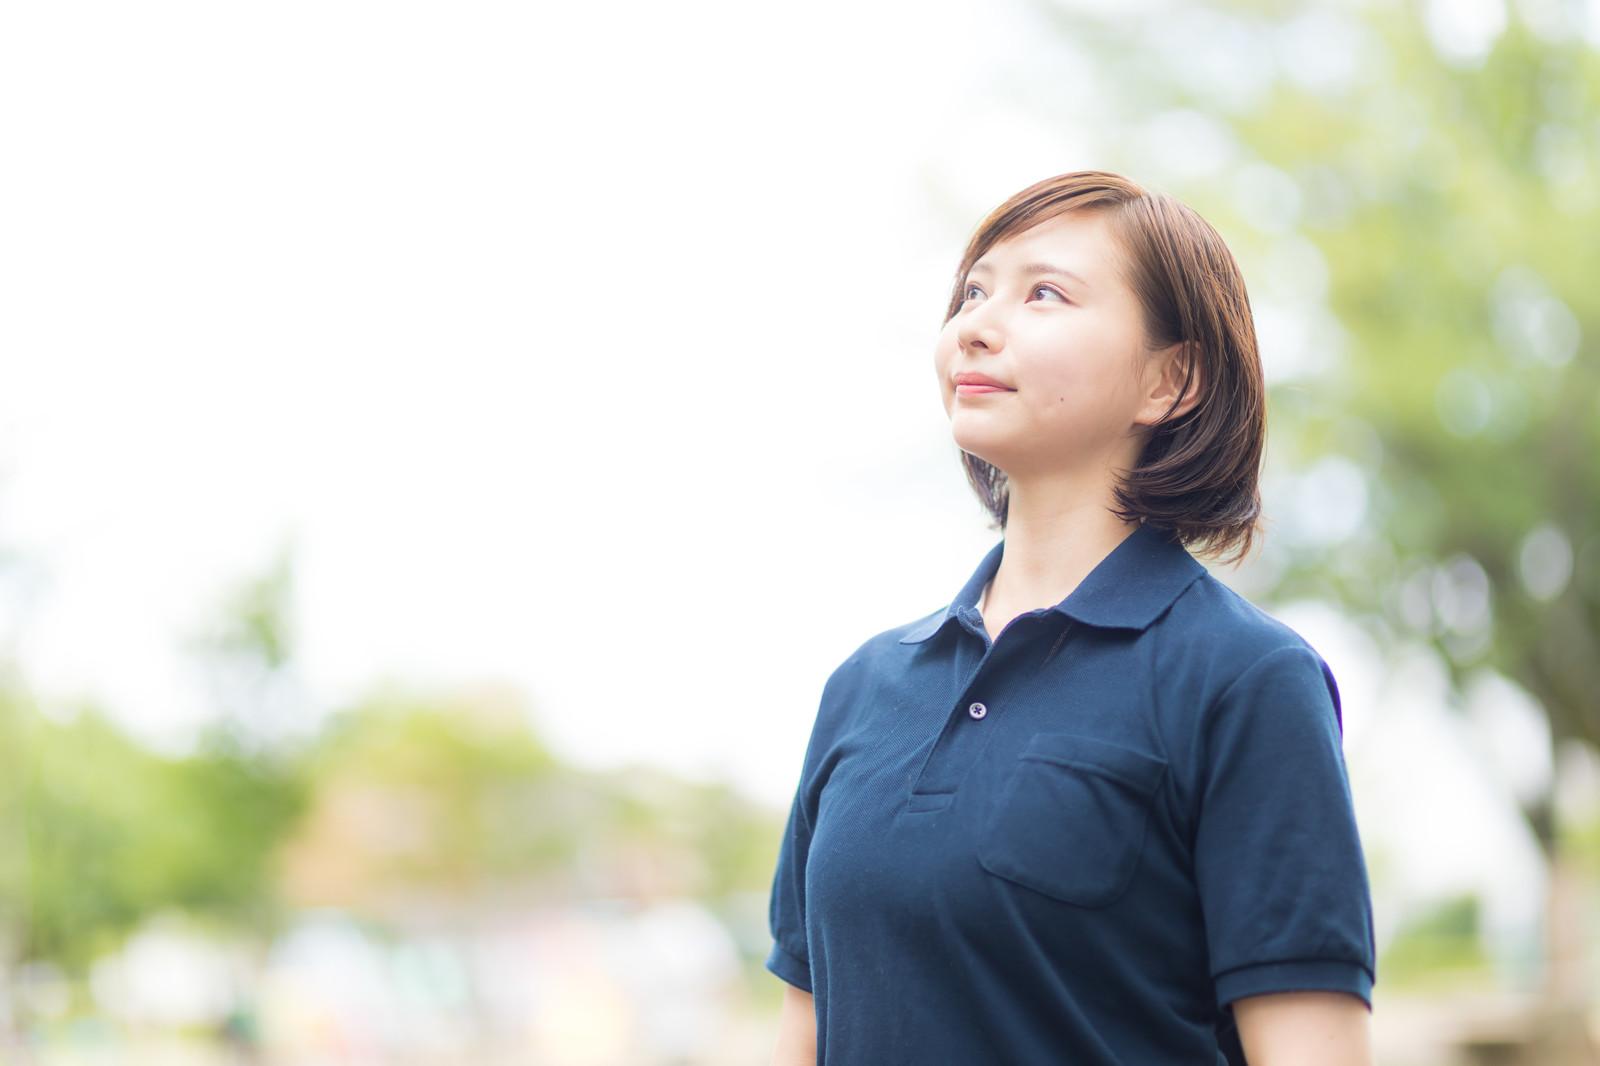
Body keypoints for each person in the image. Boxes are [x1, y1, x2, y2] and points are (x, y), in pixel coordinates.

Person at [765, 170, 1376, 1065]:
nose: (974, 324)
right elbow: (802, 1031)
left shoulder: (1244, 680)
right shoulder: (864, 688)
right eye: (973, 292)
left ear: (1171, 380)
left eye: (1044, 293)